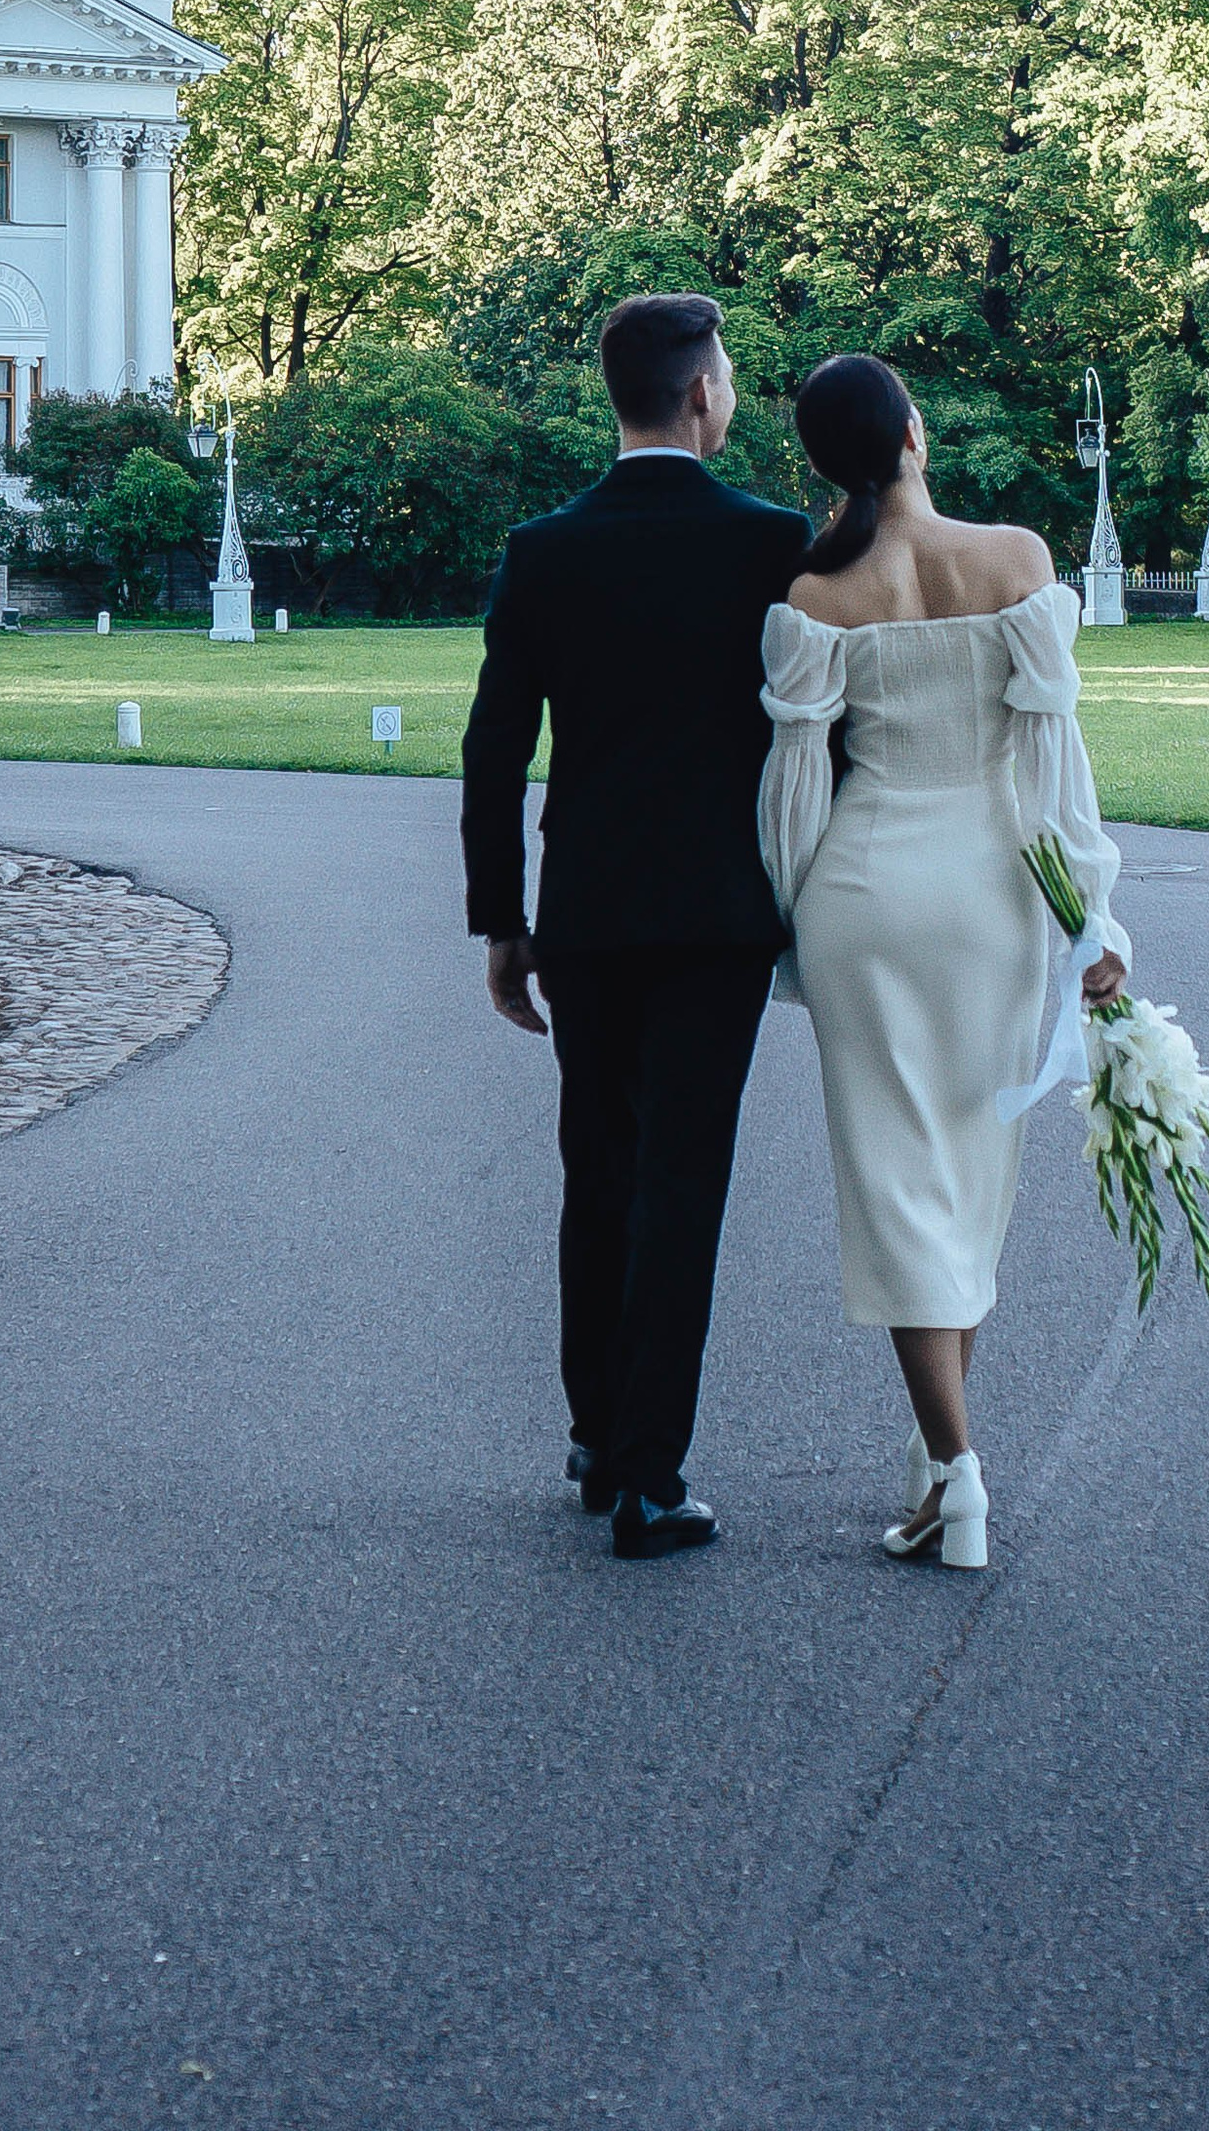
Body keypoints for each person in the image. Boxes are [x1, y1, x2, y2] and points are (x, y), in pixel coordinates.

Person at [757, 353, 1129, 1572]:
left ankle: (948, 1475)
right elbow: (1054, 770)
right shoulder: (1015, 561)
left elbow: (795, 790)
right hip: (992, 898)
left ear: (822, 463)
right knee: (968, 1179)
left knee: (896, 1186)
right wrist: (1096, 918)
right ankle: (944, 1469)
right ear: (914, 433)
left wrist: (790, 923)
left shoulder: (813, 595)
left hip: (863, 895)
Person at [462, 293, 808, 1560]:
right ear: (703, 394)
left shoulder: (545, 547)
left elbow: (496, 746)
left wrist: (501, 918)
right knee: (681, 1185)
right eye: (725, 377)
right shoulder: (771, 542)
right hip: (717, 913)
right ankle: (651, 1478)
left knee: (595, 1171)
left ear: (620, 398)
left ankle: (600, 1435)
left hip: (590, 909)